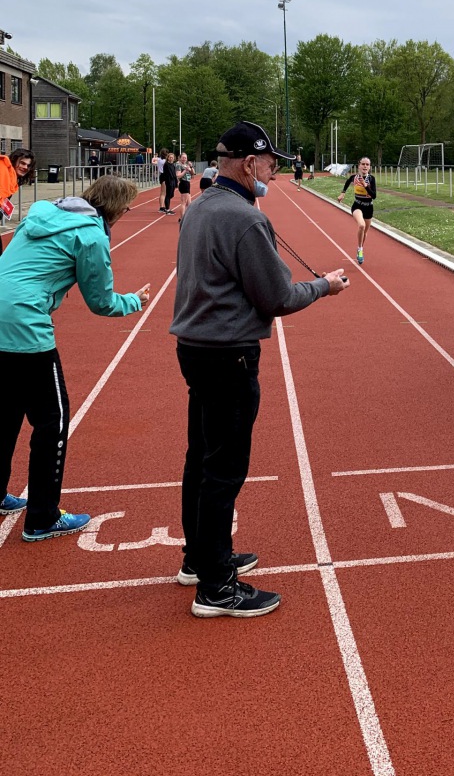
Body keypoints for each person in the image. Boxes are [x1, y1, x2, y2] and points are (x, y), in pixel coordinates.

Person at [170, 120, 348, 619]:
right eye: (271, 164)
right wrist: (325, 286)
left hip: (195, 348)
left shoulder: (199, 205)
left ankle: (200, 558)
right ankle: (216, 588)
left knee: (201, 458)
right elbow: (276, 297)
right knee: (224, 470)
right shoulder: (245, 218)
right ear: (250, 163)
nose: (274, 172)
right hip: (228, 354)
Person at [0, 176, 150, 539]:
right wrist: (135, 300)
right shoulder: (91, 236)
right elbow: (101, 302)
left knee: (5, 415)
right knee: (52, 421)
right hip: (24, 326)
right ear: (116, 210)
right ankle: (43, 516)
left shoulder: (42, 212)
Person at [337, 156, 376, 265]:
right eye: (363, 164)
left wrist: (366, 186)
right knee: (361, 225)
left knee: (365, 232)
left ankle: (360, 247)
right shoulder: (354, 177)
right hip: (357, 206)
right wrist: (342, 193)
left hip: (369, 207)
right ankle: (360, 249)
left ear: (369, 167)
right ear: (359, 166)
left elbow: (374, 196)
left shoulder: (371, 179)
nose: (365, 166)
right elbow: (347, 182)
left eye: (367, 164)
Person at [1, 148, 35, 220]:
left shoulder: (11, 177)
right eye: (22, 163)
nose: (25, 167)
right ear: (14, 160)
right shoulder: (3, 171)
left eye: (28, 165)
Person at [175, 153, 195, 221]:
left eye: (185, 158)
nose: (184, 159)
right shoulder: (178, 165)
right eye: (183, 157)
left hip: (187, 183)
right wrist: (185, 170)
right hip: (183, 183)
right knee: (183, 202)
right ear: (180, 158)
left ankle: (189, 217)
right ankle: (182, 218)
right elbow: (178, 175)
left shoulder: (186, 165)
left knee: (189, 202)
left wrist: (191, 167)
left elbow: (193, 173)